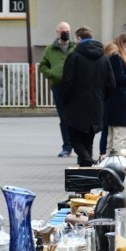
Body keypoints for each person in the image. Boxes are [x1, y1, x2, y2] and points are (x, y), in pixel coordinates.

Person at [61, 26, 115, 167]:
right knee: (88, 141)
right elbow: (111, 84)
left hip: (76, 106)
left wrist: (65, 100)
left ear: (79, 38)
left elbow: (67, 82)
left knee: (75, 139)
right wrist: (101, 98)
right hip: (96, 105)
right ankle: (87, 175)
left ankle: (87, 162)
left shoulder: (74, 56)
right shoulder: (103, 57)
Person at [39, 21, 76, 157]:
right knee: (63, 117)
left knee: (75, 116)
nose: (64, 33)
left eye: (66, 30)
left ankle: (76, 144)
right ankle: (67, 146)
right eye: (62, 31)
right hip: (58, 86)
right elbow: (42, 65)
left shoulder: (75, 47)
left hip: (74, 87)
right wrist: (51, 74)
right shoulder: (50, 48)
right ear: (57, 32)